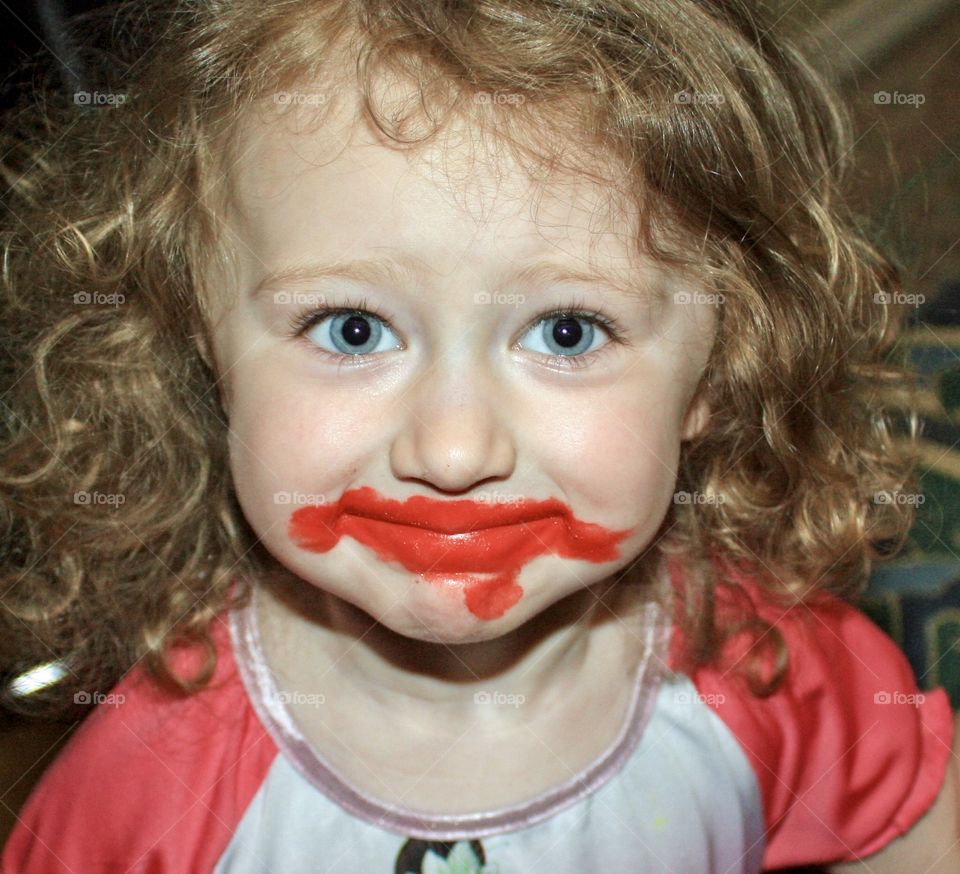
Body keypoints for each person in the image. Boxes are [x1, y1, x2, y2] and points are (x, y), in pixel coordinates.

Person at [1, 0, 957, 871]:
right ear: (199, 341)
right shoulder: (143, 786)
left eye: (568, 332)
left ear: (719, 365)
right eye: (353, 329)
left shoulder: (776, 669)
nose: (454, 454)